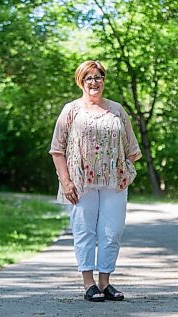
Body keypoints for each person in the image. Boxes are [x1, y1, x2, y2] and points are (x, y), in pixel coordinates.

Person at [49, 60, 142, 302]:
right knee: (84, 231)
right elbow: (57, 150)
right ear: (81, 81)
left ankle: (105, 282)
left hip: (114, 181)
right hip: (81, 182)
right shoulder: (71, 110)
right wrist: (66, 182)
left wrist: (124, 168)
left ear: (104, 80)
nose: (94, 81)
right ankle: (89, 284)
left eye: (98, 76)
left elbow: (132, 147)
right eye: (89, 77)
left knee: (112, 232)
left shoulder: (117, 110)